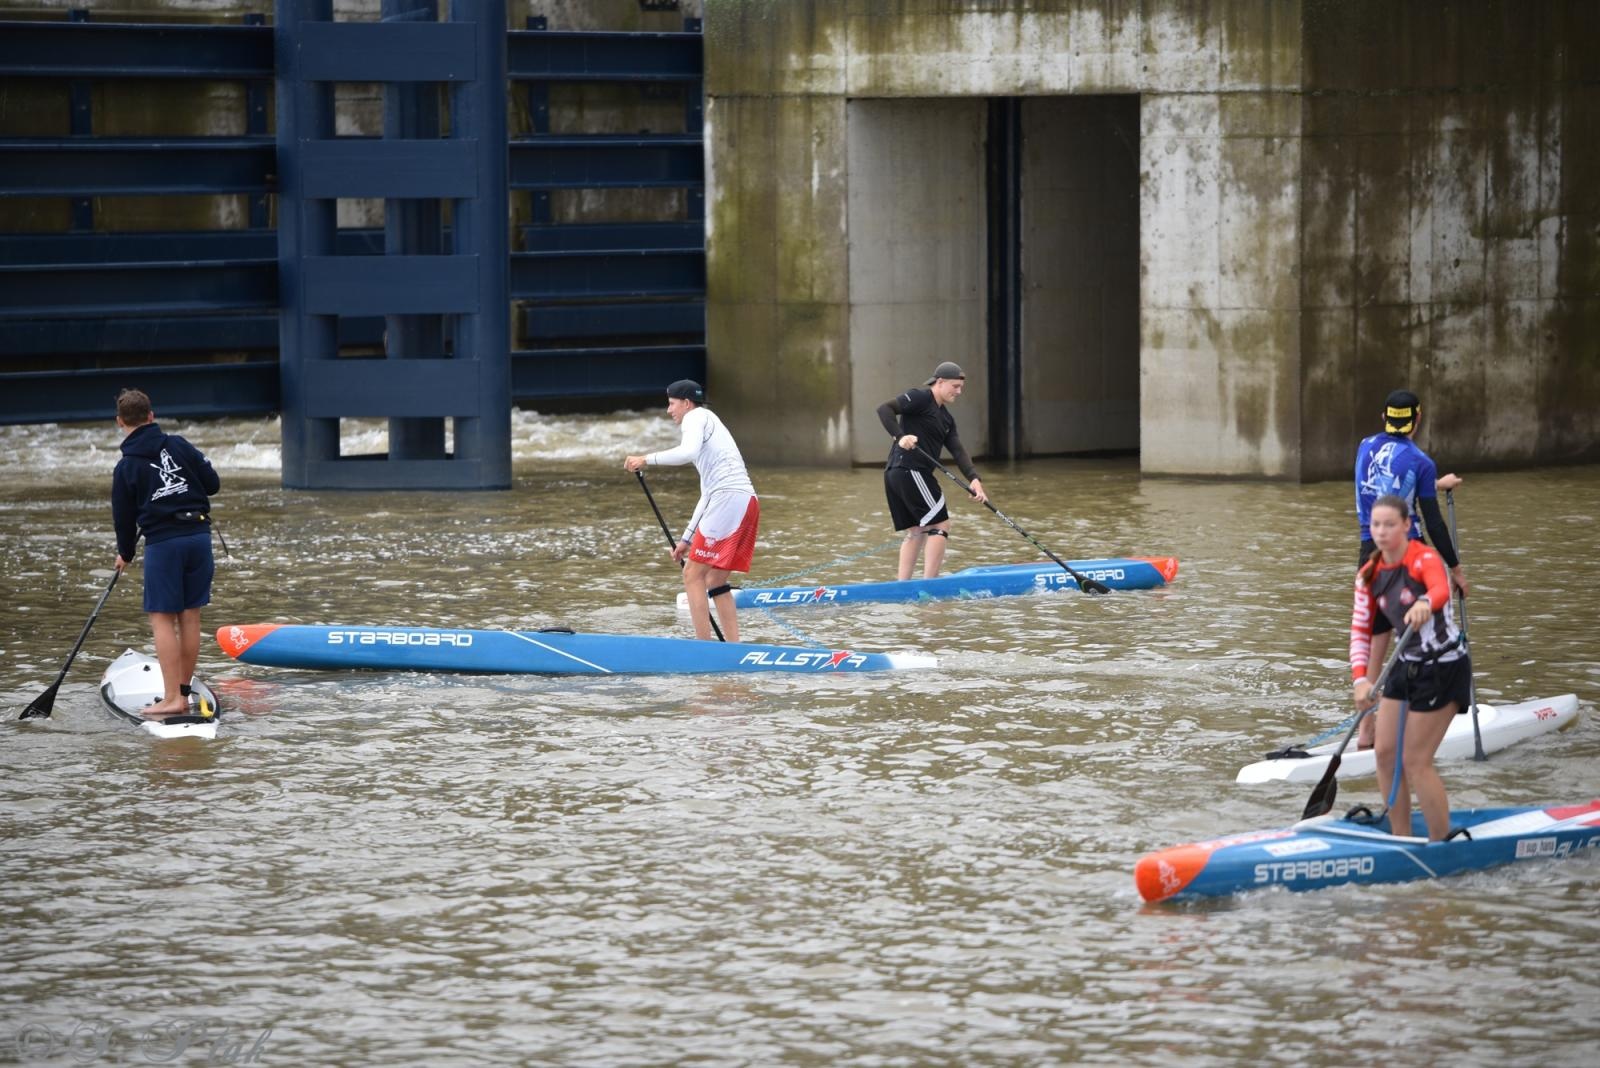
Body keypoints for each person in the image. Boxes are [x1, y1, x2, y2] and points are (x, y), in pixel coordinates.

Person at [1348, 494, 1471, 842]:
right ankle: (1400, 839)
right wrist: (1360, 681)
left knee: (1416, 760)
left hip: (1444, 667)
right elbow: (1359, 630)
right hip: (1406, 665)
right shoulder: (1369, 574)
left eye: (1390, 525)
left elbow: (1439, 588)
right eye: (1376, 525)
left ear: (1406, 526)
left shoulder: (1423, 557)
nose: (1382, 532)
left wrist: (1424, 603)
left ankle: (1440, 843)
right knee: (1385, 754)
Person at [1353, 388, 1466, 748]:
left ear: (1384, 417)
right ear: (1418, 419)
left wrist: (1433, 485)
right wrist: (1456, 568)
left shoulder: (1365, 446)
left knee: (1374, 641)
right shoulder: (1420, 459)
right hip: (1406, 558)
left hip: (1370, 554)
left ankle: (1365, 728)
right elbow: (1432, 522)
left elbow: (1387, 491)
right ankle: (1417, 716)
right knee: (1418, 642)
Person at [111, 389, 222, 718]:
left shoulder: (126, 466)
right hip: (199, 538)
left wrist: (125, 553)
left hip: (164, 543)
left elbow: (123, 519)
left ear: (120, 423)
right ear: (151, 416)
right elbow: (212, 483)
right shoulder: (179, 445)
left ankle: (173, 697)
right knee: (190, 615)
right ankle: (183, 693)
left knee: (162, 619)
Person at [624, 380, 759, 642]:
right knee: (715, 580)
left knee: (692, 574)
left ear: (686, 403)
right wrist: (686, 539)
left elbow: (687, 452)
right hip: (747, 501)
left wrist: (645, 459)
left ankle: (703, 647)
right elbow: (706, 495)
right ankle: (734, 647)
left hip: (728, 498)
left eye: (672, 403)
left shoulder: (696, 416)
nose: (668, 410)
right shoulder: (710, 423)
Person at [877, 361, 987, 580]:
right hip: (910, 470)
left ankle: (903, 586)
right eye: (955, 386)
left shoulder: (946, 419)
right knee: (941, 523)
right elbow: (884, 409)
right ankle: (931, 583)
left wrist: (974, 479)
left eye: (961, 387)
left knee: (916, 530)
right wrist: (901, 437)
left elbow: (957, 449)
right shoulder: (920, 397)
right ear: (940, 382)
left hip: (898, 474)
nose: (959, 391)